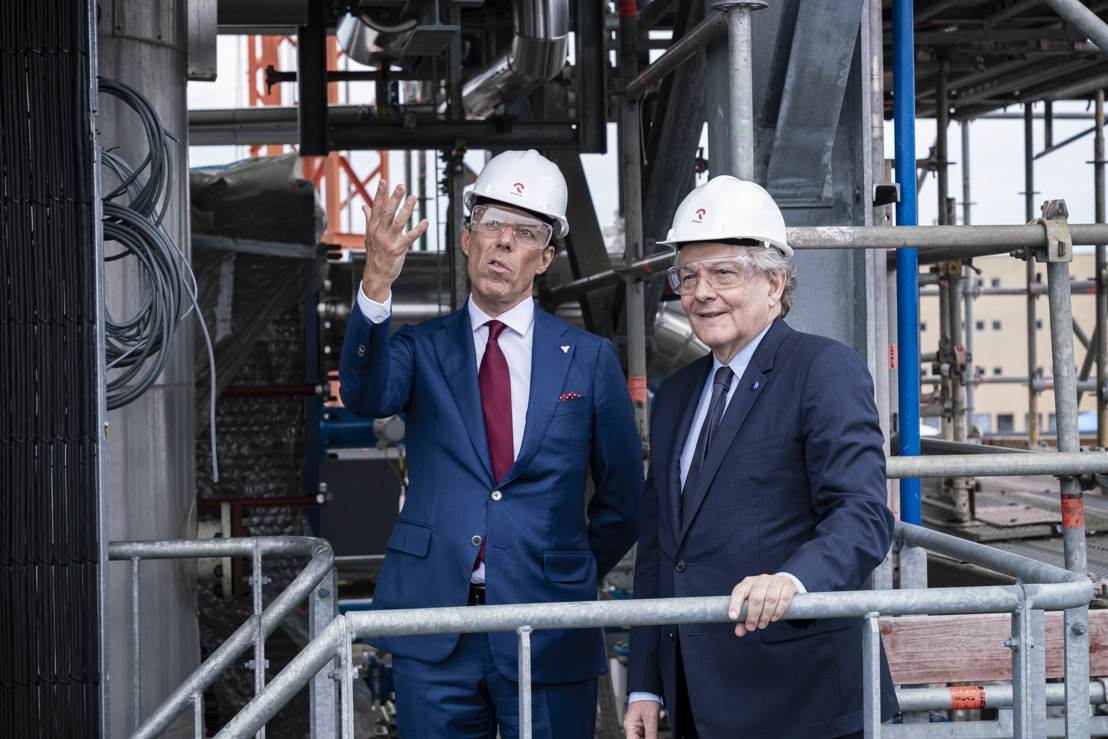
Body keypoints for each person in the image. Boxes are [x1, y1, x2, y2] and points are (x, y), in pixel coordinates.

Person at [339, 149, 643, 739]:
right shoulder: (420, 348)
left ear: (546, 258)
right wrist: (376, 280)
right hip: (435, 625)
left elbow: (623, 497)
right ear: (466, 238)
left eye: (524, 232)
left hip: (548, 623)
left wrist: (564, 569)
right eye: (491, 224)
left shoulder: (588, 359)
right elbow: (365, 395)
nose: (503, 242)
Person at [623, 176, 899, 739]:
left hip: (800, 696)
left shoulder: (822, 369)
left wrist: (794, 580)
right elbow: (659, 549)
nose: (702, 293)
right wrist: (646, 683)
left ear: (774, 284)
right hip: (697, 697)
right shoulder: (676, 395)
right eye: (689, 276)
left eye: (724, 273)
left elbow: (864, 515)